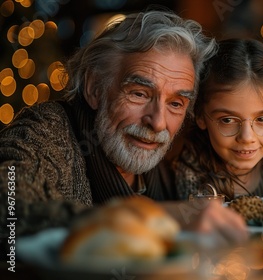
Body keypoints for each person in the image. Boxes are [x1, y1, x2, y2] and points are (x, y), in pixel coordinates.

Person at [0, 8, 247, 250]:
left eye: (175, 103)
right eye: (139, 94)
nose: (158, 122)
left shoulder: (177, 160)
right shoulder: (45, 131)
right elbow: (7, 205)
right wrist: (156, 219)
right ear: (95, 88)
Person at [171, 38, 263, 201]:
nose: (247, 137)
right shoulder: (191, 172)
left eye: (262, 118)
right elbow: (209, 225)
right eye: (227, 120)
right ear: (201, 116)